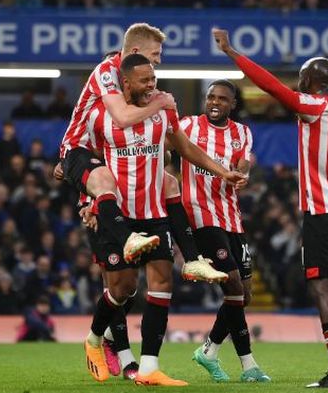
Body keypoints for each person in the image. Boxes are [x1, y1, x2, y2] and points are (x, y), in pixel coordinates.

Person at [214, 28, 328, 388]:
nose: (297, 83)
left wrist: (232, 53)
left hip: (322, 209)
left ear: (312, 80)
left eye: (301, 77)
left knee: (321, 286)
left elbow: (270, 85)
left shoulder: (312, 106)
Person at [82, 54, 247, 386]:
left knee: (161, 286)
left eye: (154, 79)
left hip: (154, 213)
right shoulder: (102, 116)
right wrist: (87, 199)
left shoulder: (162, 114)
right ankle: (93, 339)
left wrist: (222, 171)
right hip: (118, 216)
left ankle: (148, 367)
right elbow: (87, 162)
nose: (151, 86)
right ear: (125, 83)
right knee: (123, 288)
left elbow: (185, 148)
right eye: (145, 80)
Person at [55, 23, 222, 280]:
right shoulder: (106, 72)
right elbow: (122, 117)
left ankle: (192, 259)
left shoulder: (143, 86)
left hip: (106, 153)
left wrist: (221, 171)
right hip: (80, 149)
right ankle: (124, 236)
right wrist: (161, 103)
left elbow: (172, 141)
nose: (158, 60)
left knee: (167, 181)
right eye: (155, 54)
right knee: (104, 182)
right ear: (134, 51)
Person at [178, 79, 270, 383]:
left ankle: (209, 351)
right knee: (231, 284)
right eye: (211, 97)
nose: (215, 103)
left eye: (222, 99)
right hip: (201, 214)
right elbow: (170, 147)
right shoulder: (188, 125)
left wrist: (243, 173)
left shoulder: (242, 133)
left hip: (231, 216)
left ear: (232, 104)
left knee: (242, 295)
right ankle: (249, 365)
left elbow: (243, 164)